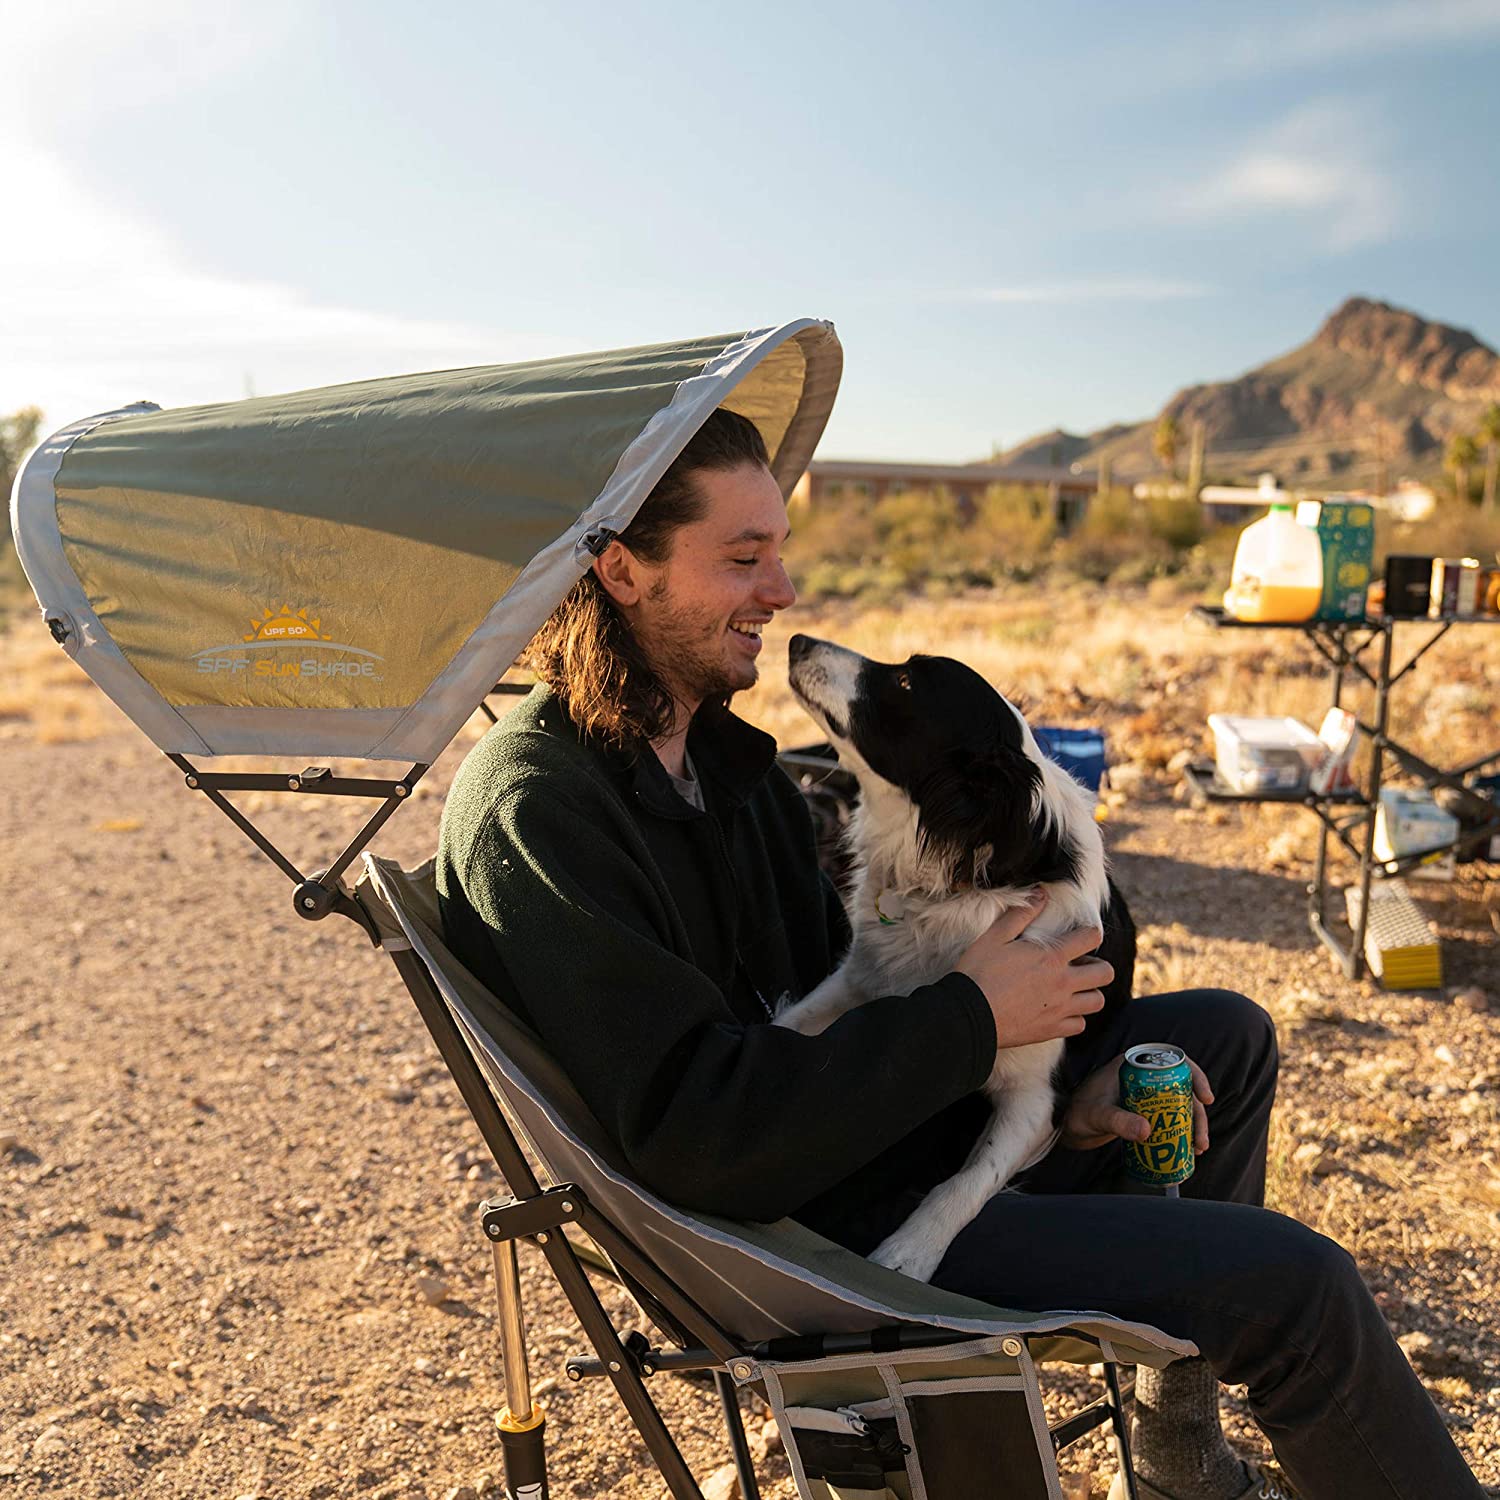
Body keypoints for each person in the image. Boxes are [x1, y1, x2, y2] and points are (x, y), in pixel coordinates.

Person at [436, 408, 1482, 1500]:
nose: (783, 591)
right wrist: (977, 1021)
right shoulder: (540, 809)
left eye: (779, 553)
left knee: (1222, 1034)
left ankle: (1174, 1441)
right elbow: (699, 1135)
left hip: (878, 1139)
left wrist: (1045, 1114)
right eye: (744, 559)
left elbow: (840, 998)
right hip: (817, 1237)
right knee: (1300, 1286)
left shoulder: (708, 756)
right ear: (621, 570)